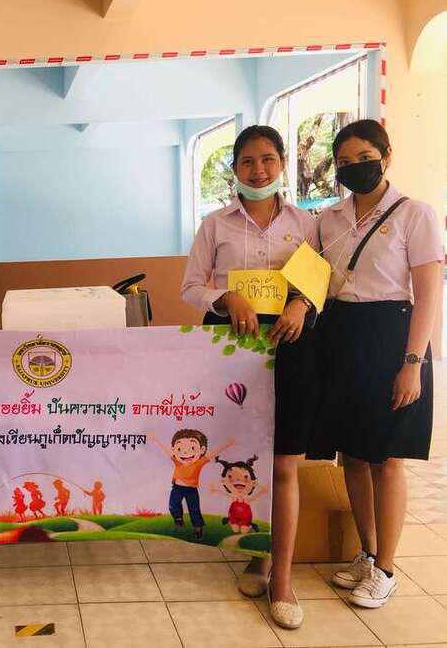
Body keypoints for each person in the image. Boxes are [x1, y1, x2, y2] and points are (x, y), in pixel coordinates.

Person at [181, 125, 321, 629]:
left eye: (267, 159)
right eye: (246, 161)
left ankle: (281, 579)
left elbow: (319, 282)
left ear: (282, 162)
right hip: (232, 352)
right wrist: (226, 297)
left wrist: (302, 304)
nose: (258, 170)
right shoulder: (214, 226)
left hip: (291, 348)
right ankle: (258, 556)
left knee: (283, 462)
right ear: (234, 169)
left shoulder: (307, 224)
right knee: (246, 457)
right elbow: (191, 287)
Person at [318, 120, 442, 609]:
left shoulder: (416, 214)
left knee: (387, 458)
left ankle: (387, 568)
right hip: (341, 335)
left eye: (364, 157)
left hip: (393, 336)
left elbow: (428, 295)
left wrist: (413, 362)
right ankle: (367, 554)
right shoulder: (329, 218)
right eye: (344, 162)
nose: (354, 167)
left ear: (386, 156)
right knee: (352, 454)